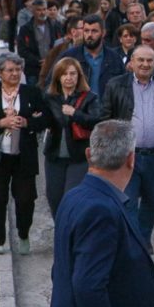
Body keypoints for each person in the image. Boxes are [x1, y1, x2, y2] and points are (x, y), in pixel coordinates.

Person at [40, 120, 154, 307]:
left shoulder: (75, 197)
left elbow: (63, 271)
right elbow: (87, 287)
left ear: (89, 155)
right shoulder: (100, 209)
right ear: (131, 159)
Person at [100, 45, 154, 250]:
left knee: (152, 201)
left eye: (149, 61)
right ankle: (133, 241)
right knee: (128, 201)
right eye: (141, 60)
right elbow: (105, 120)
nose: (145, 64)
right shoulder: (116, 85)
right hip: (127, 157)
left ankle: (144, 238)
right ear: (132, 62)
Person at [0, 53, 49, 254]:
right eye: (10, 70)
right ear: (0, 72)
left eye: (18, 69)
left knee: (25, 199)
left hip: (24, 155)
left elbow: (45, 119)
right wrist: (0, 123)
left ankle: (23, 233)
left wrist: (27, 122)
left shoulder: (31, 92)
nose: (15, 73)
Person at [43, 57, 99, 220]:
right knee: (54, 198)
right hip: (54, 156)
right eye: (64, 74)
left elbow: (97, 121)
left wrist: (75, 113)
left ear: (79, 76)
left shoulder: (90, 97)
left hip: (79, 157)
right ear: (58, 77)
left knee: (72, 198)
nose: (69, 77)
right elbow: (43, 121)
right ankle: (62, 231)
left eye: (73, 74)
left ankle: (74, 235)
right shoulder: (50, 98)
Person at [61, 15, 126, 97]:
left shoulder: (114, 58)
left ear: (103, 33)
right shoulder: (69, 56)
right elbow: (50, 86)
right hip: (77, 108)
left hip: (106, 108)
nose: (89, 35)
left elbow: (125, 88)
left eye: (94, 31)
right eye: (86, 31)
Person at [17, 0, 63, 83]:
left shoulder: (56, 26)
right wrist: (38, 61)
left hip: (53, 68)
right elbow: (22, 50)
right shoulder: (26, 29)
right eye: (38, 10)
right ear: (32, 11)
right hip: (33, 70)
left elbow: (61, 45)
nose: (42, 13)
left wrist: (50, 60)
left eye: (44, 9)